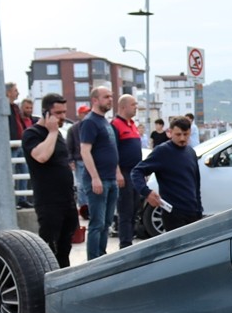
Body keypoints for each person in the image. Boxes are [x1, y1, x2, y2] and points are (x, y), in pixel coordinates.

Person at [22, 93, 78, 268]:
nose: (63, 117)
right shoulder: (33, 134)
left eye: (64, 112)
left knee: (65, 247)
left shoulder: (58, 135)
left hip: (66, 199)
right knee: (49, 247)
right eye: (58, 113)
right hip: (49, 201)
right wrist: (52, 132)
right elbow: (42, 156)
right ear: (46, 113)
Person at [130, 116, 203, 232]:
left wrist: (199, 209)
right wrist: (146, 192)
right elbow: (137, 172)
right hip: (173, 214)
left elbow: (196, 183)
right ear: (170, 133)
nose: (182, 138)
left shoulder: (191, 152)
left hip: (193, 212)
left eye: (186, 134)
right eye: (178, 134)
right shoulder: (162, 152)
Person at [79, 86, 122, 259]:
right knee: (97, 223)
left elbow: (112, 150)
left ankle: (102, 256)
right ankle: (93, 261)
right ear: (95, 100)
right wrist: (95, 178)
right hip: (98, 180)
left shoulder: (105, 122)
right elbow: (85, 151)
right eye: (106, 97)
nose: (110, 99)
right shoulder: (90, 122)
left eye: (111, 97)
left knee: (107, 223)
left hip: (110, 179)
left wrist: (117, 172)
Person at [112, 94, 143, 249]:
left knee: (135, 209)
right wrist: (117, 172)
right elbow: (113, 151)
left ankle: (131, 238)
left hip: (136, 172)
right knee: (125, 210)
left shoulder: (132, 124)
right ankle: (125, 244)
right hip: (124, 172)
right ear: (123, 106)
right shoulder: (116, 125)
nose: (136, 107)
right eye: (133, 104)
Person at [6, 82, 32, 208]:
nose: (18, 93)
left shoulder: (15, 107)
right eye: (15, 90)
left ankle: (22, 199)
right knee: (10, 173)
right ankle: (12, 201)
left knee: (24, 171)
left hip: (19, 143)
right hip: (10, 144)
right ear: (8, 92)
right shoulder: (4, 107)